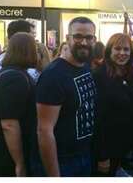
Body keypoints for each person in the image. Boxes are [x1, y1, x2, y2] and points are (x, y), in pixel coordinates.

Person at [36, 17, 97, 177]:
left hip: (85, 155)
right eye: (78, 36)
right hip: (63, 162)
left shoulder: (85, 66)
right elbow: (44, 131)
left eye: (88, 37)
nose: (84, 42)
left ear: (94, 40)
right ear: (68, 38)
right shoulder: (53, 75)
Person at [0, 32, 40, 176]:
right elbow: (9, 124)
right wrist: (19, 163)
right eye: (35, 48)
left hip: (13, 148)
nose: (37, 53)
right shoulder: (14, 77)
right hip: (10, 152)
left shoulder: (15, 73)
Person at [91, 33, 133, 176]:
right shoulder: (99, 76)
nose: (122, 53)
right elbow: (97, 120)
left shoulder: (130, 75)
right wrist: (102, 156)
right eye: (117, 49)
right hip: (107, 151)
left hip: (125, 150)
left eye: (126, 49)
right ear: (109, 51)